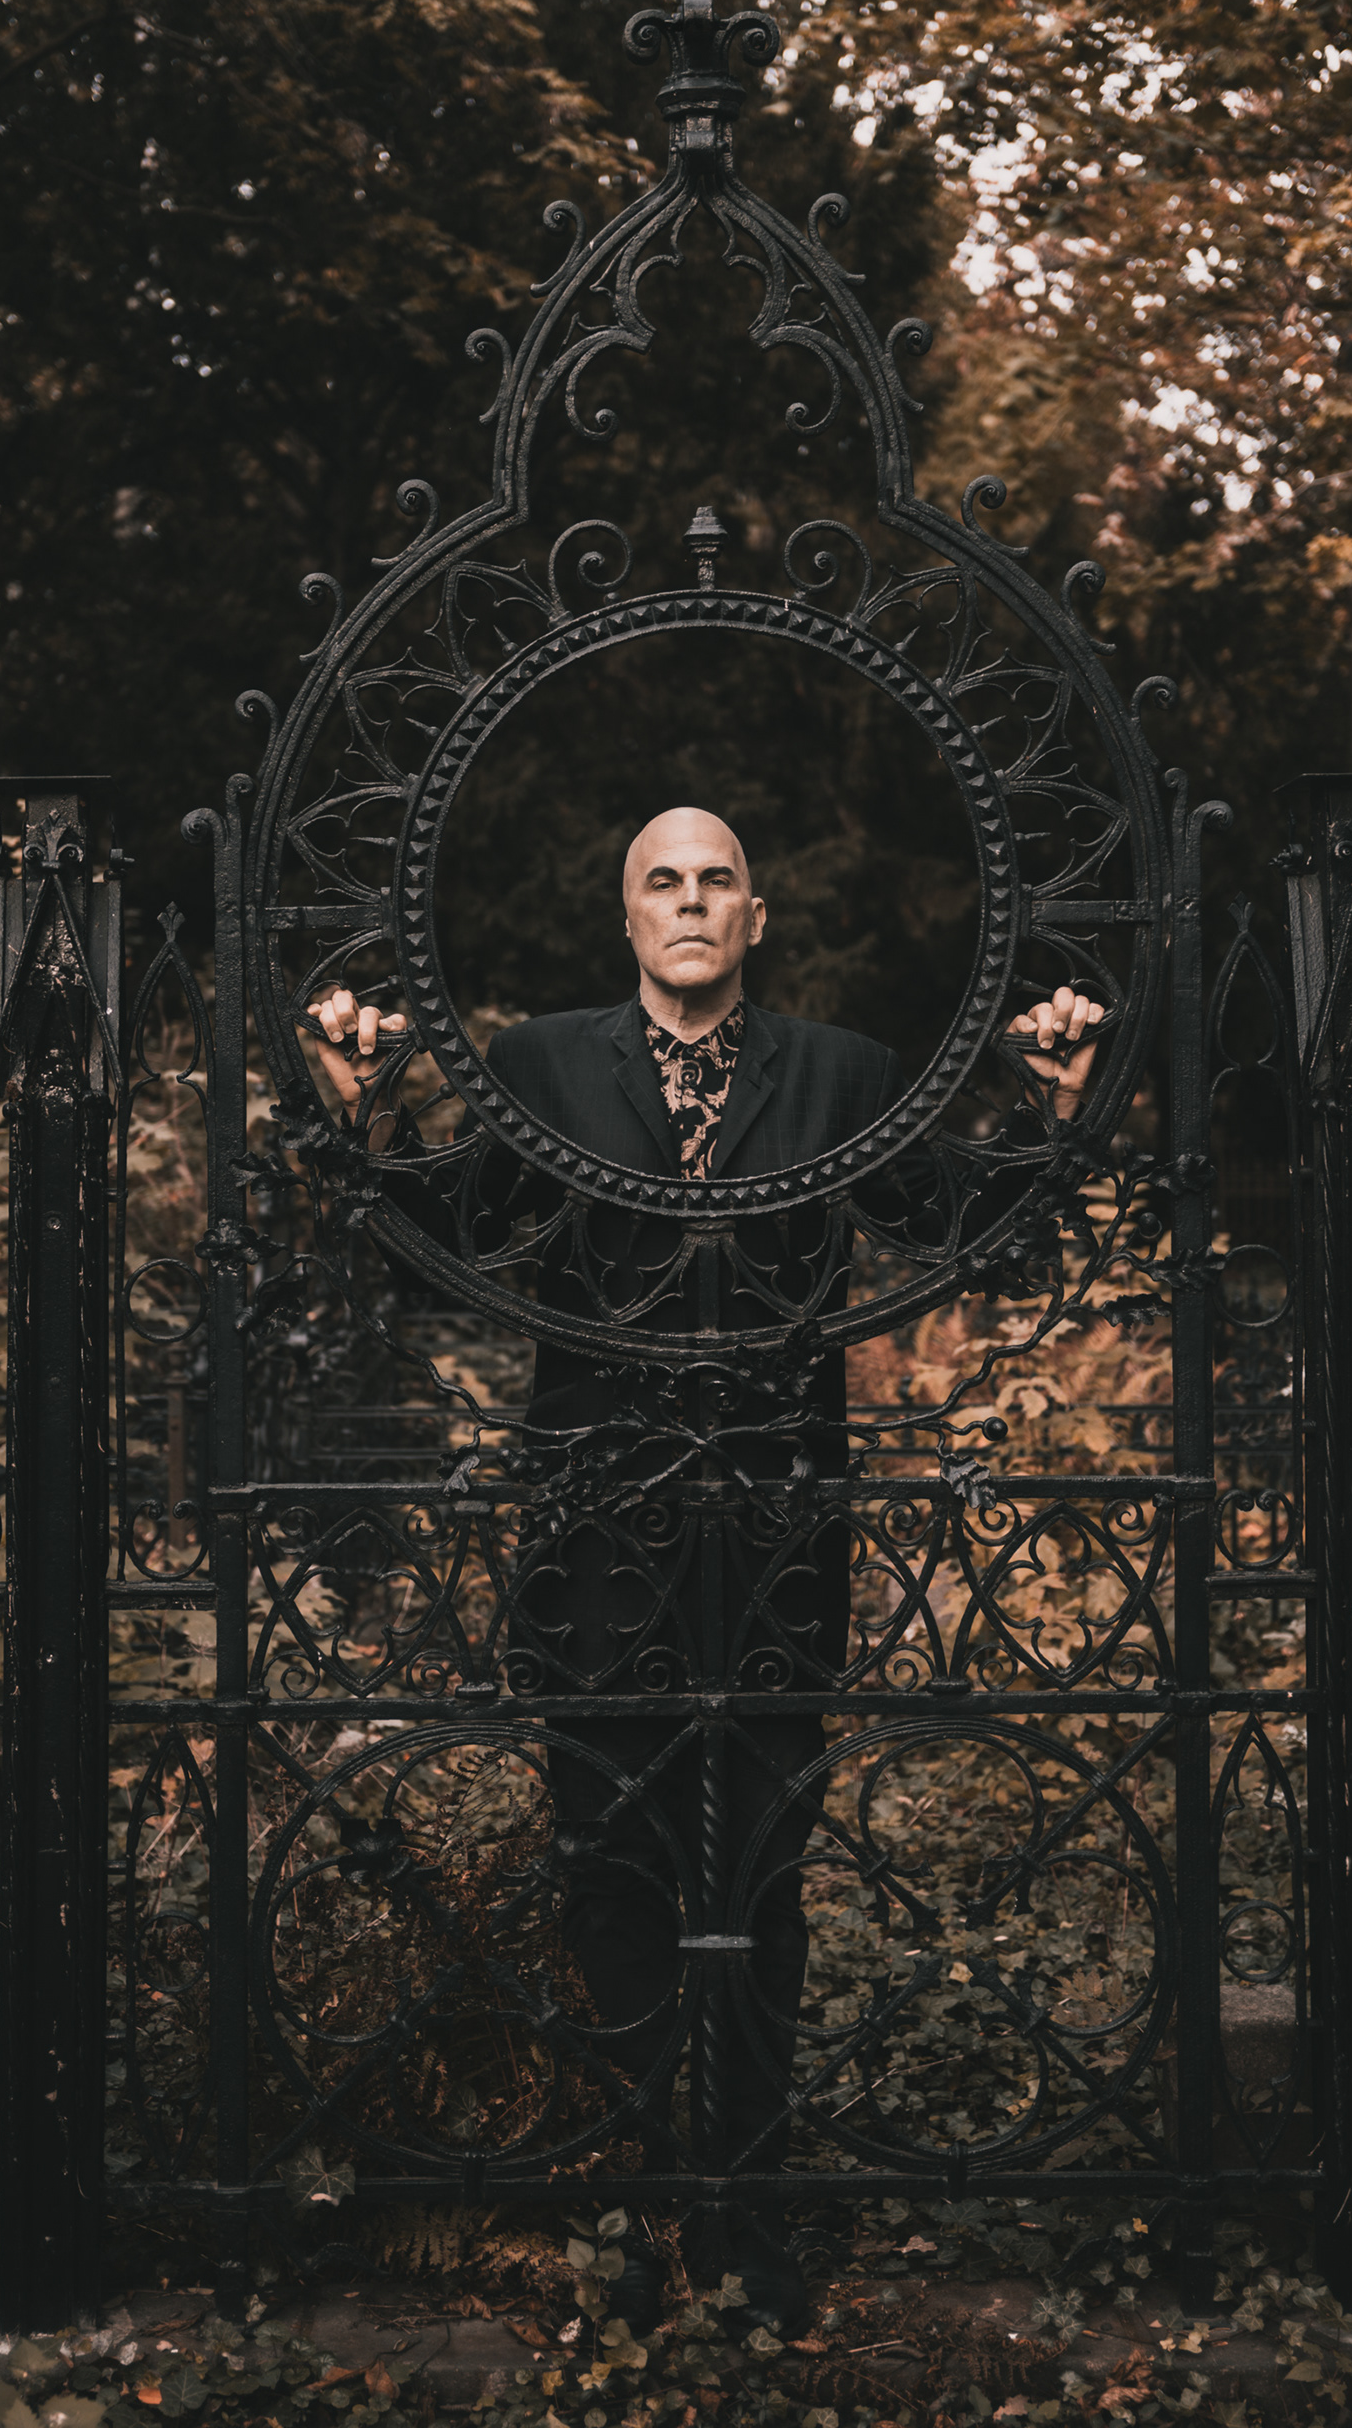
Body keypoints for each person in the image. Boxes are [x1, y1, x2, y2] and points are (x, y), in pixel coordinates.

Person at [305, 811, 1100, 2332]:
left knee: (763, 1879)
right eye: (660, 881)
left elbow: (960, 1235)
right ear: (628, 923)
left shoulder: (844, 1076)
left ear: (757, 917)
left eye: (715, 879)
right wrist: (357, 1118)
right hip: (598, 1537)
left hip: (777, 1536)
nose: (689, 901)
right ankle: (654, 2176)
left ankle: (741, 2211)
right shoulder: (536, 1066)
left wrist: (1052, 1116)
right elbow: (438, 1248)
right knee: (612, 1871)